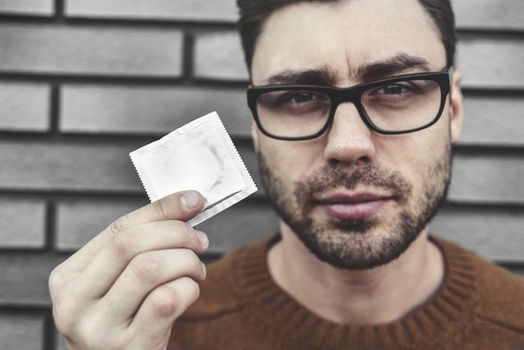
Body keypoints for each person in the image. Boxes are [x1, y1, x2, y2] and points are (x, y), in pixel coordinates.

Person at [49, 0, 524, 349]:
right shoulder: (157, 335)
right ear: (257, 126)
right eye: (297, 97)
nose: (348, 146)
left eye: (396, 88)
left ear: (453, 110)